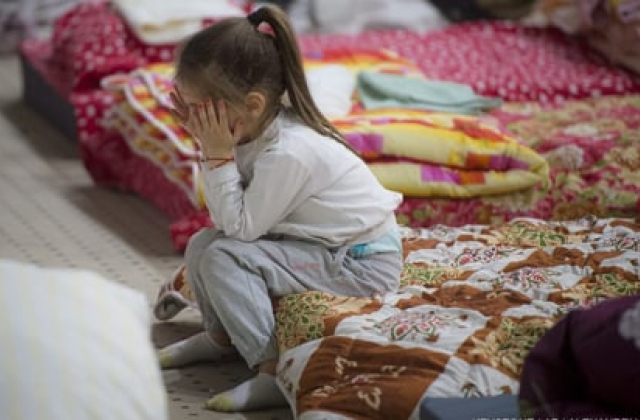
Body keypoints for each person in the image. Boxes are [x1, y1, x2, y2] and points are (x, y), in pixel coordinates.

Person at [158, 4, 404, 413]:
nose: (195, 121)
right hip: (320, 246)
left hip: (361, 263)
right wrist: (212, 148)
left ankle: (272, 371)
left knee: (224, 256)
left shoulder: (289, 152)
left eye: (201, 110)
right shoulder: (251, 131)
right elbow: (225, 219)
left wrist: (215, 154)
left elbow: (240, 228)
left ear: (252, 105)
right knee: (202, 244)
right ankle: (221, 339)